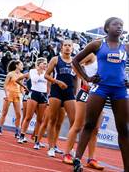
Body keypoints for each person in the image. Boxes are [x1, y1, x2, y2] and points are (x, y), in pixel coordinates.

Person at [73, 17, 128, 172]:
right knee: (89, 124)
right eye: (115, 24)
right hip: (101, 88)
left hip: (120, 90)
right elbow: (76, 60)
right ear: (106, 28)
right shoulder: (97, 44)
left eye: (121, 25)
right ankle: (77, 160)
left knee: (124, 129)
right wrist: (87, 78)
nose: (119, 26)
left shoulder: (126, 47)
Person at [62, 53, 104, 170]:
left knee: (95, 129)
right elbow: (74, 64)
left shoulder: (108, 57)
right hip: (86, 92)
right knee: (78, 125)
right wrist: (85, 79)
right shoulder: (92, 55)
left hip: (99, 94)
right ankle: (67, 154)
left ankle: (91, 159)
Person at [44, 40, 76, 157]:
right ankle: (51, 147)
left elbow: (77, 79)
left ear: (72, 48)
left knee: (74, 121)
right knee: (52, 119)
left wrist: (75, 95)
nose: (67, 47)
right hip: (56, 91)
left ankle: (70, 148)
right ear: (62, 48)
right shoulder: (56, 59)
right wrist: (57, 82)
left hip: (69, 93)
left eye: (69, 46)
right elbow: (46, 75)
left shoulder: (75, 61)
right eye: (65, 45)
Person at [16, 58, 48, 144]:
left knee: (40, 119)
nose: (46, 65)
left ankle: (36, 138)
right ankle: (22, 136)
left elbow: (48, 85)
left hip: (43, 95)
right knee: (28, 116)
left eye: (46, 64)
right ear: (39, 64)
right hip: (32, 94)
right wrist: (25, 88)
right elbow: (34, 80)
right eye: (44, 63)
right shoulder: (32, 71)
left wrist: (47, 96)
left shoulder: (47, 73)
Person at [0, 60, 25, 138]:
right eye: (21, 64)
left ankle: (17, 131)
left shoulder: (22, 75)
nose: (22, 66)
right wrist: (6, 94)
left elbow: (21, 88)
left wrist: (25, 95)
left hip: (17, 95)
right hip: (9, 94)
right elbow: (5, 85)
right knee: (4, 112)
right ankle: (0, 128)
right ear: (17, 65)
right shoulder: (10, 74)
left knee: (18, 114)